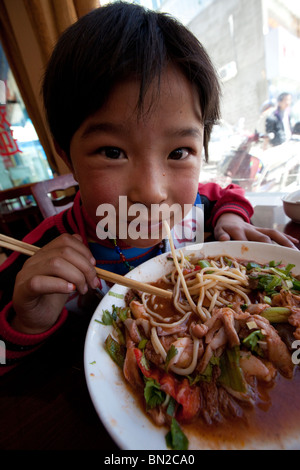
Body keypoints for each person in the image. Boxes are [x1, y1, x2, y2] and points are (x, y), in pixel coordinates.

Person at [0, 2, 298, 376]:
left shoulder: (194, 211)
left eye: (178, 152)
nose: (153, 192)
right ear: (67, 157)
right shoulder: (42, 256)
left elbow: (222, 194)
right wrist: (27, 323)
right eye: (113, 152)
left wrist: (231, 217)